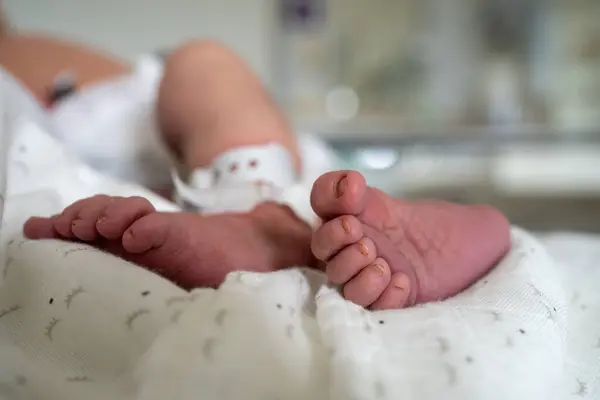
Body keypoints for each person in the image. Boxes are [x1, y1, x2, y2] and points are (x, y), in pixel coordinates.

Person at [1, 30, 511, 310]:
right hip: (157, 189)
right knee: (205, 75)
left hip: (183, 135)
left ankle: (258, 217)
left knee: (203, 64)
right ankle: (280, 227)